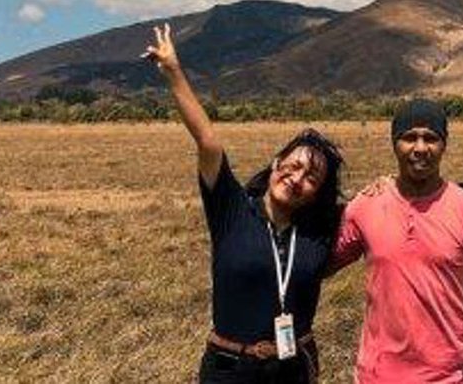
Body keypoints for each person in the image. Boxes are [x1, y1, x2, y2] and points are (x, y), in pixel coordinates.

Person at [144, 23, 345, 384]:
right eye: (293, 166)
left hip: (294, 368)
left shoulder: (319, 230)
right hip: (230, 368)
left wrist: (385, 186)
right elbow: (208, 143)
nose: (297, 179)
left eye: (311, 177)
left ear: (318, 192)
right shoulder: (232, 209)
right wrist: (173, 72)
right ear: (275, 165)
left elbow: (376, 212)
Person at [329, 99, 463, 384]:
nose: (420, 148)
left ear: (444, 144)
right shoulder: (367, 204)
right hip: (377, 376)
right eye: (409, 138)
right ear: (394, 143)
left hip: (451, 377)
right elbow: (319, 265)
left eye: (431, 138)